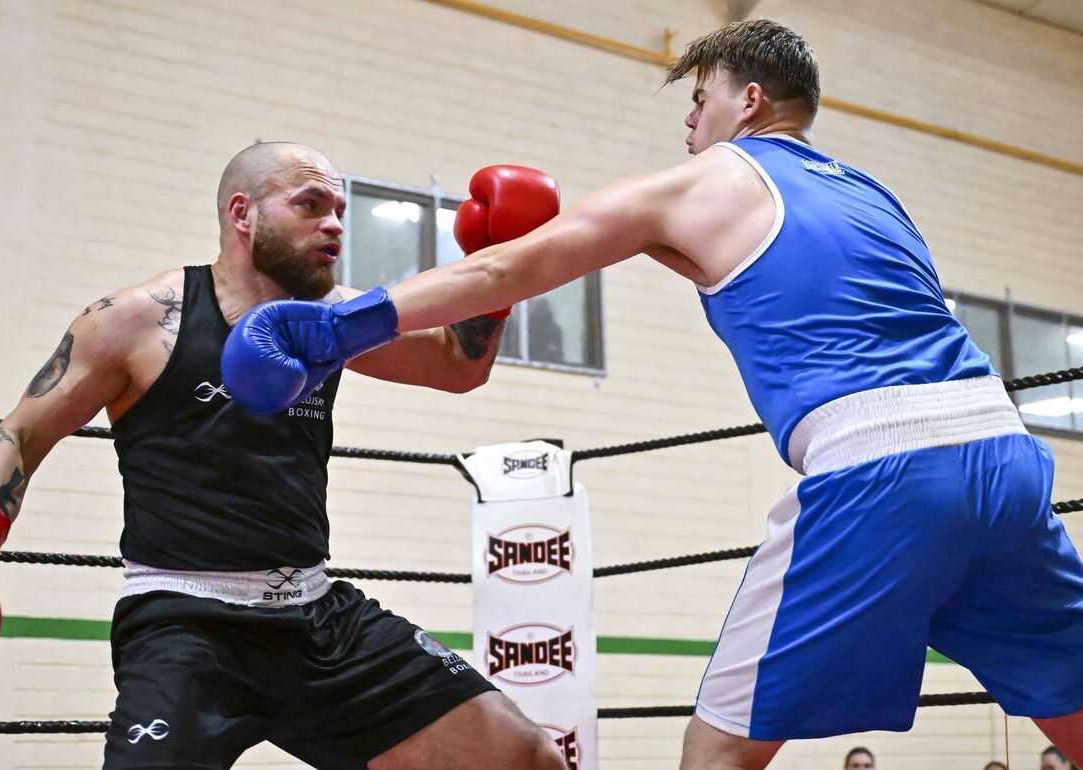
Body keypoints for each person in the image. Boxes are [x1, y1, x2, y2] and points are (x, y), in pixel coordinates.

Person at [227, 19, 1083, 770]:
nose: (689, 121)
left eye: (699, 99)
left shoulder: (702, 183)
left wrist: (339, 328)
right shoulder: (874, 196)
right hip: (1004, 458)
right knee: (1074, 713)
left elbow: (501, 267)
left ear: (748, 101)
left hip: (882, 470)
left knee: (714, 752)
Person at [0, 142, 567, 770]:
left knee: (526, 758)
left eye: (338, 210)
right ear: (242, 214)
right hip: (185, 625)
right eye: (309, 205)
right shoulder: (140, 319)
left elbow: (457, 366)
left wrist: (500, 266)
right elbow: (22, 433)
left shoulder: (333, 317)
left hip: (313, 617)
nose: (334, 224)